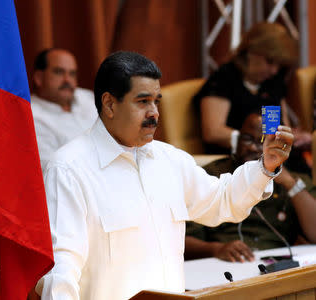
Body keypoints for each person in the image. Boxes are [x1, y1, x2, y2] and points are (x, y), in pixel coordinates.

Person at [35, 51, 293, 299]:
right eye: (143, 101)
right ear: (110, 104)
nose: (154, 113)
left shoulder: (170, 160)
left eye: (156, 101)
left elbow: (223, 200)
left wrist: (265, 166)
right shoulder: (68, 169)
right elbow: (60, 270)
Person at [185, 113, 316, 262]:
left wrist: (290, 184)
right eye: (247, 139)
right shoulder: (210, 175)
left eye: (263, 141)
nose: (253, 147)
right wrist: (216, 249)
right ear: (237, 140)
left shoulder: (293, 180)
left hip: (275, 264)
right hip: (222, 263)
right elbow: (180, 240)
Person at [193, 22, 309, 155]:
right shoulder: (223, 79)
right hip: (240, 159)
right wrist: (256, 140)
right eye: (270, 61)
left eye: (279, 64)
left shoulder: (273, 82)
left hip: (275, 156)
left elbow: (280, 126)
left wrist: (292, 136)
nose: (274, 70)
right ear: (251, 52)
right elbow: (213, 132)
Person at [31, 48, 97, 169]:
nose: (67, 80)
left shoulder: (88, 98)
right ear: (39, 78)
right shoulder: (32, 117)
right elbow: (53, 170)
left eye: (72, 74)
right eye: (59, 72)